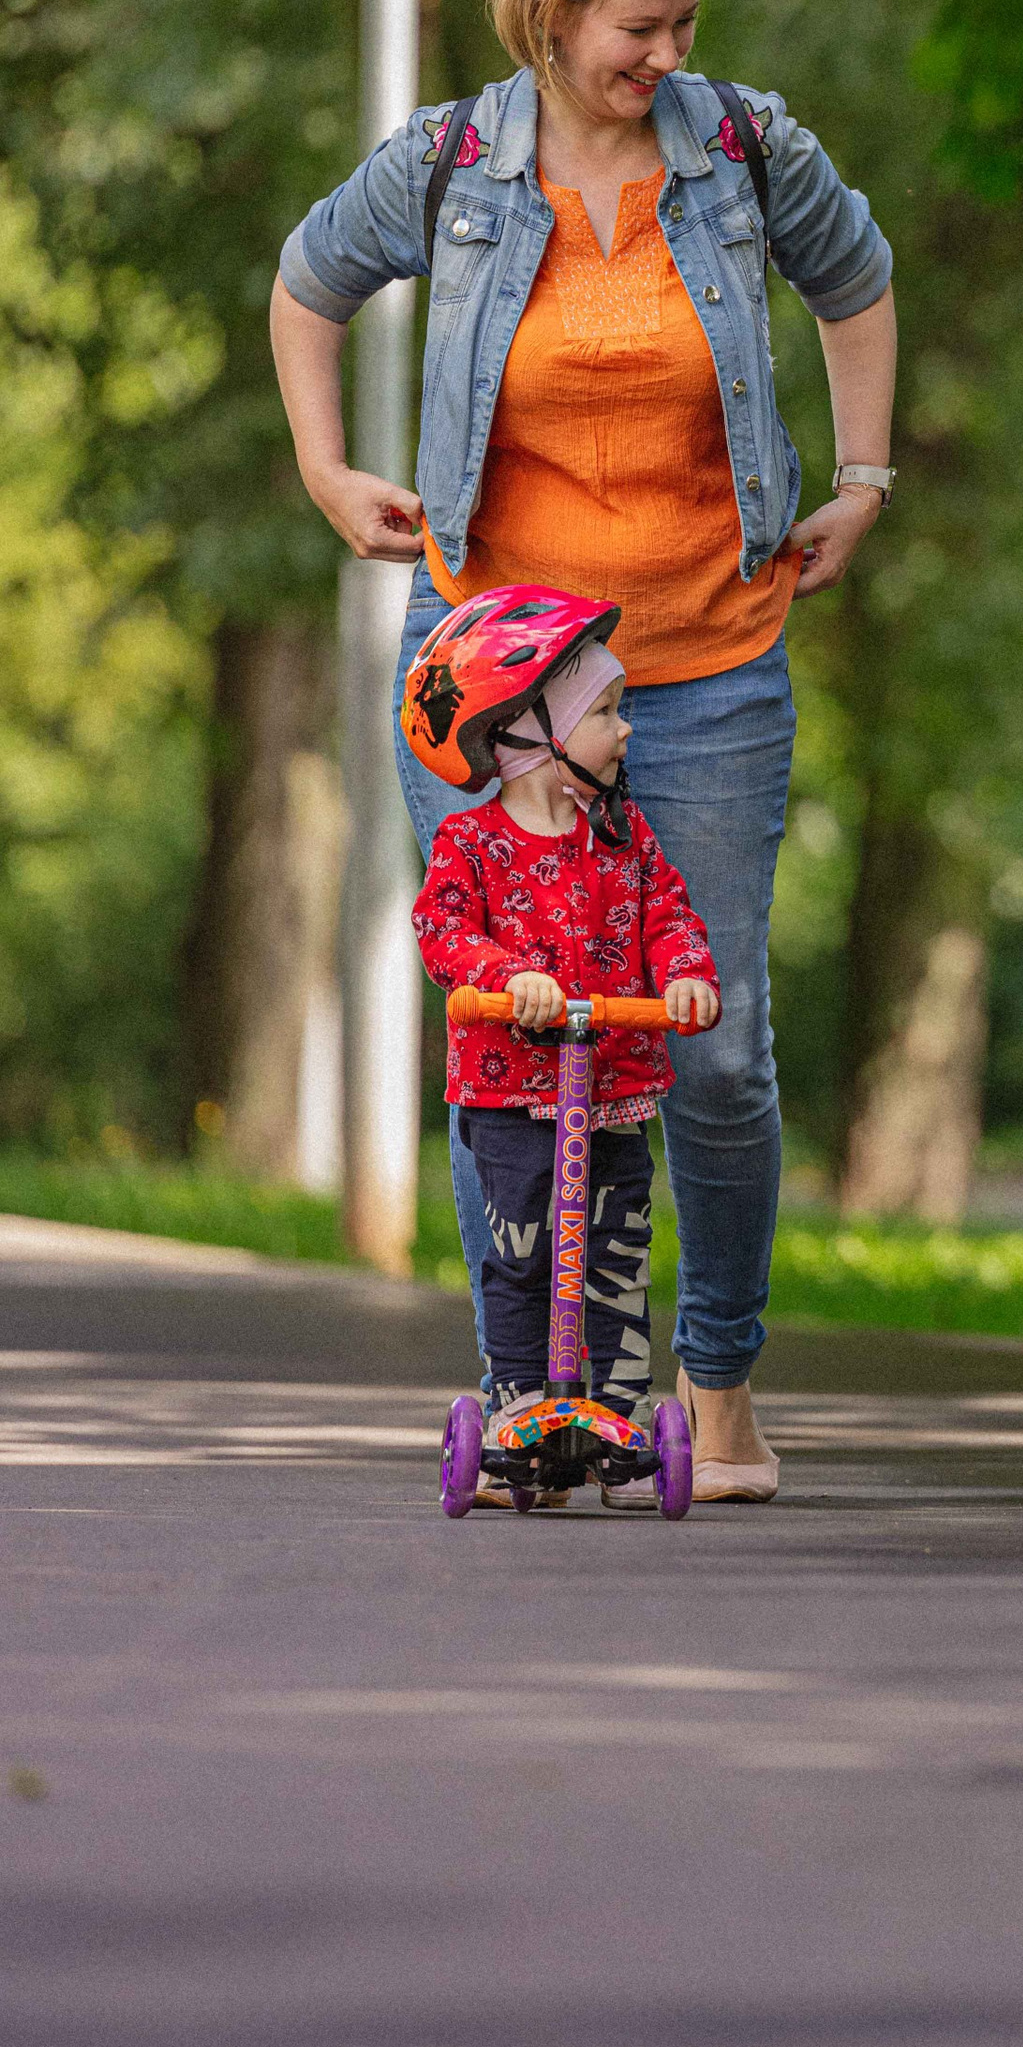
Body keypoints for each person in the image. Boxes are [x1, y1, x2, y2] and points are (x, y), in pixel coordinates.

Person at [270, 0, 896, 1500]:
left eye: (684, 20)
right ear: (553, 9)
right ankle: (538, 1387)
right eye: (638, 23)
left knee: (712, 1042)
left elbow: (860, 278)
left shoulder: (745, 145)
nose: (665, 53)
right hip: (488, 672)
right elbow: (306, 283)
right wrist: (333, 475)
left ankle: (721, 1380)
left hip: (702, 663)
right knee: (513, 1019)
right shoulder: (452, 161)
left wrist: (865, 476)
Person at [407, 589, 717, 1490]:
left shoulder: (623, 842)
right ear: (531, 730)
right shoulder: (470, 845)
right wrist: (509, 980)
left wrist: (686, 974)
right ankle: (516, 1409)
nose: (627, 732)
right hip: (509, 1096)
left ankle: (614, 1419)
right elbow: (444, 932)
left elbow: (669, 914)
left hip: (612, 1093)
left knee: (615, 1250)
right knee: (523, 1251)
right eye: (608, 712)